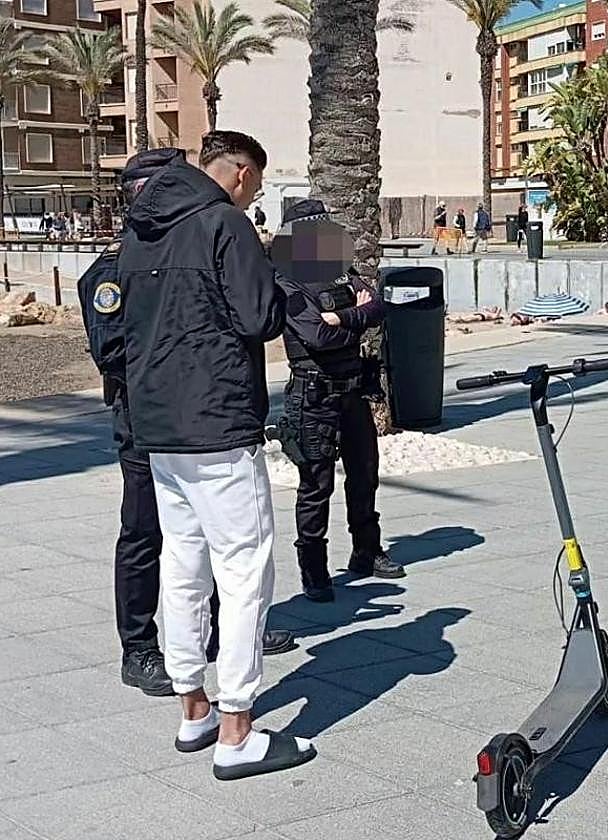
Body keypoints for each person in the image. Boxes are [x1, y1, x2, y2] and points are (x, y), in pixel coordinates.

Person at [120, 130, 316, 779]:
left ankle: (193, 709)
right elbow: (259, 318)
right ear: (237, 175)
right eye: (254, 186)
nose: (253, 197)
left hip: (158, 425)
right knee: (242, 570)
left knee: (183, 564)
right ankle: (237, 729)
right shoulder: (224, 224)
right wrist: (272, 268)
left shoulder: (140, 229)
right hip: (218, 421)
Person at [78, 149, 294, 698]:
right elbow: (115, 348)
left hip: (168, 415)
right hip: (162, 419)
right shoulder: (141, 252)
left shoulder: (170, 237)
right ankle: (149, 654)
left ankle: (200, 675)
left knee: (191, 552)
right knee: (159, 540)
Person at [271, 199, 405, 603]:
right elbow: (316, 338)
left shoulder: (342, 272)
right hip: (313, 397)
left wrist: (343, 319)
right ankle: (314, 572)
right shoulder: (287, 281)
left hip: (352, 391)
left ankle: (367, 551)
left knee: (365, 475)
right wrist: (354, 320)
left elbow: (379, 306)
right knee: (316, 485)